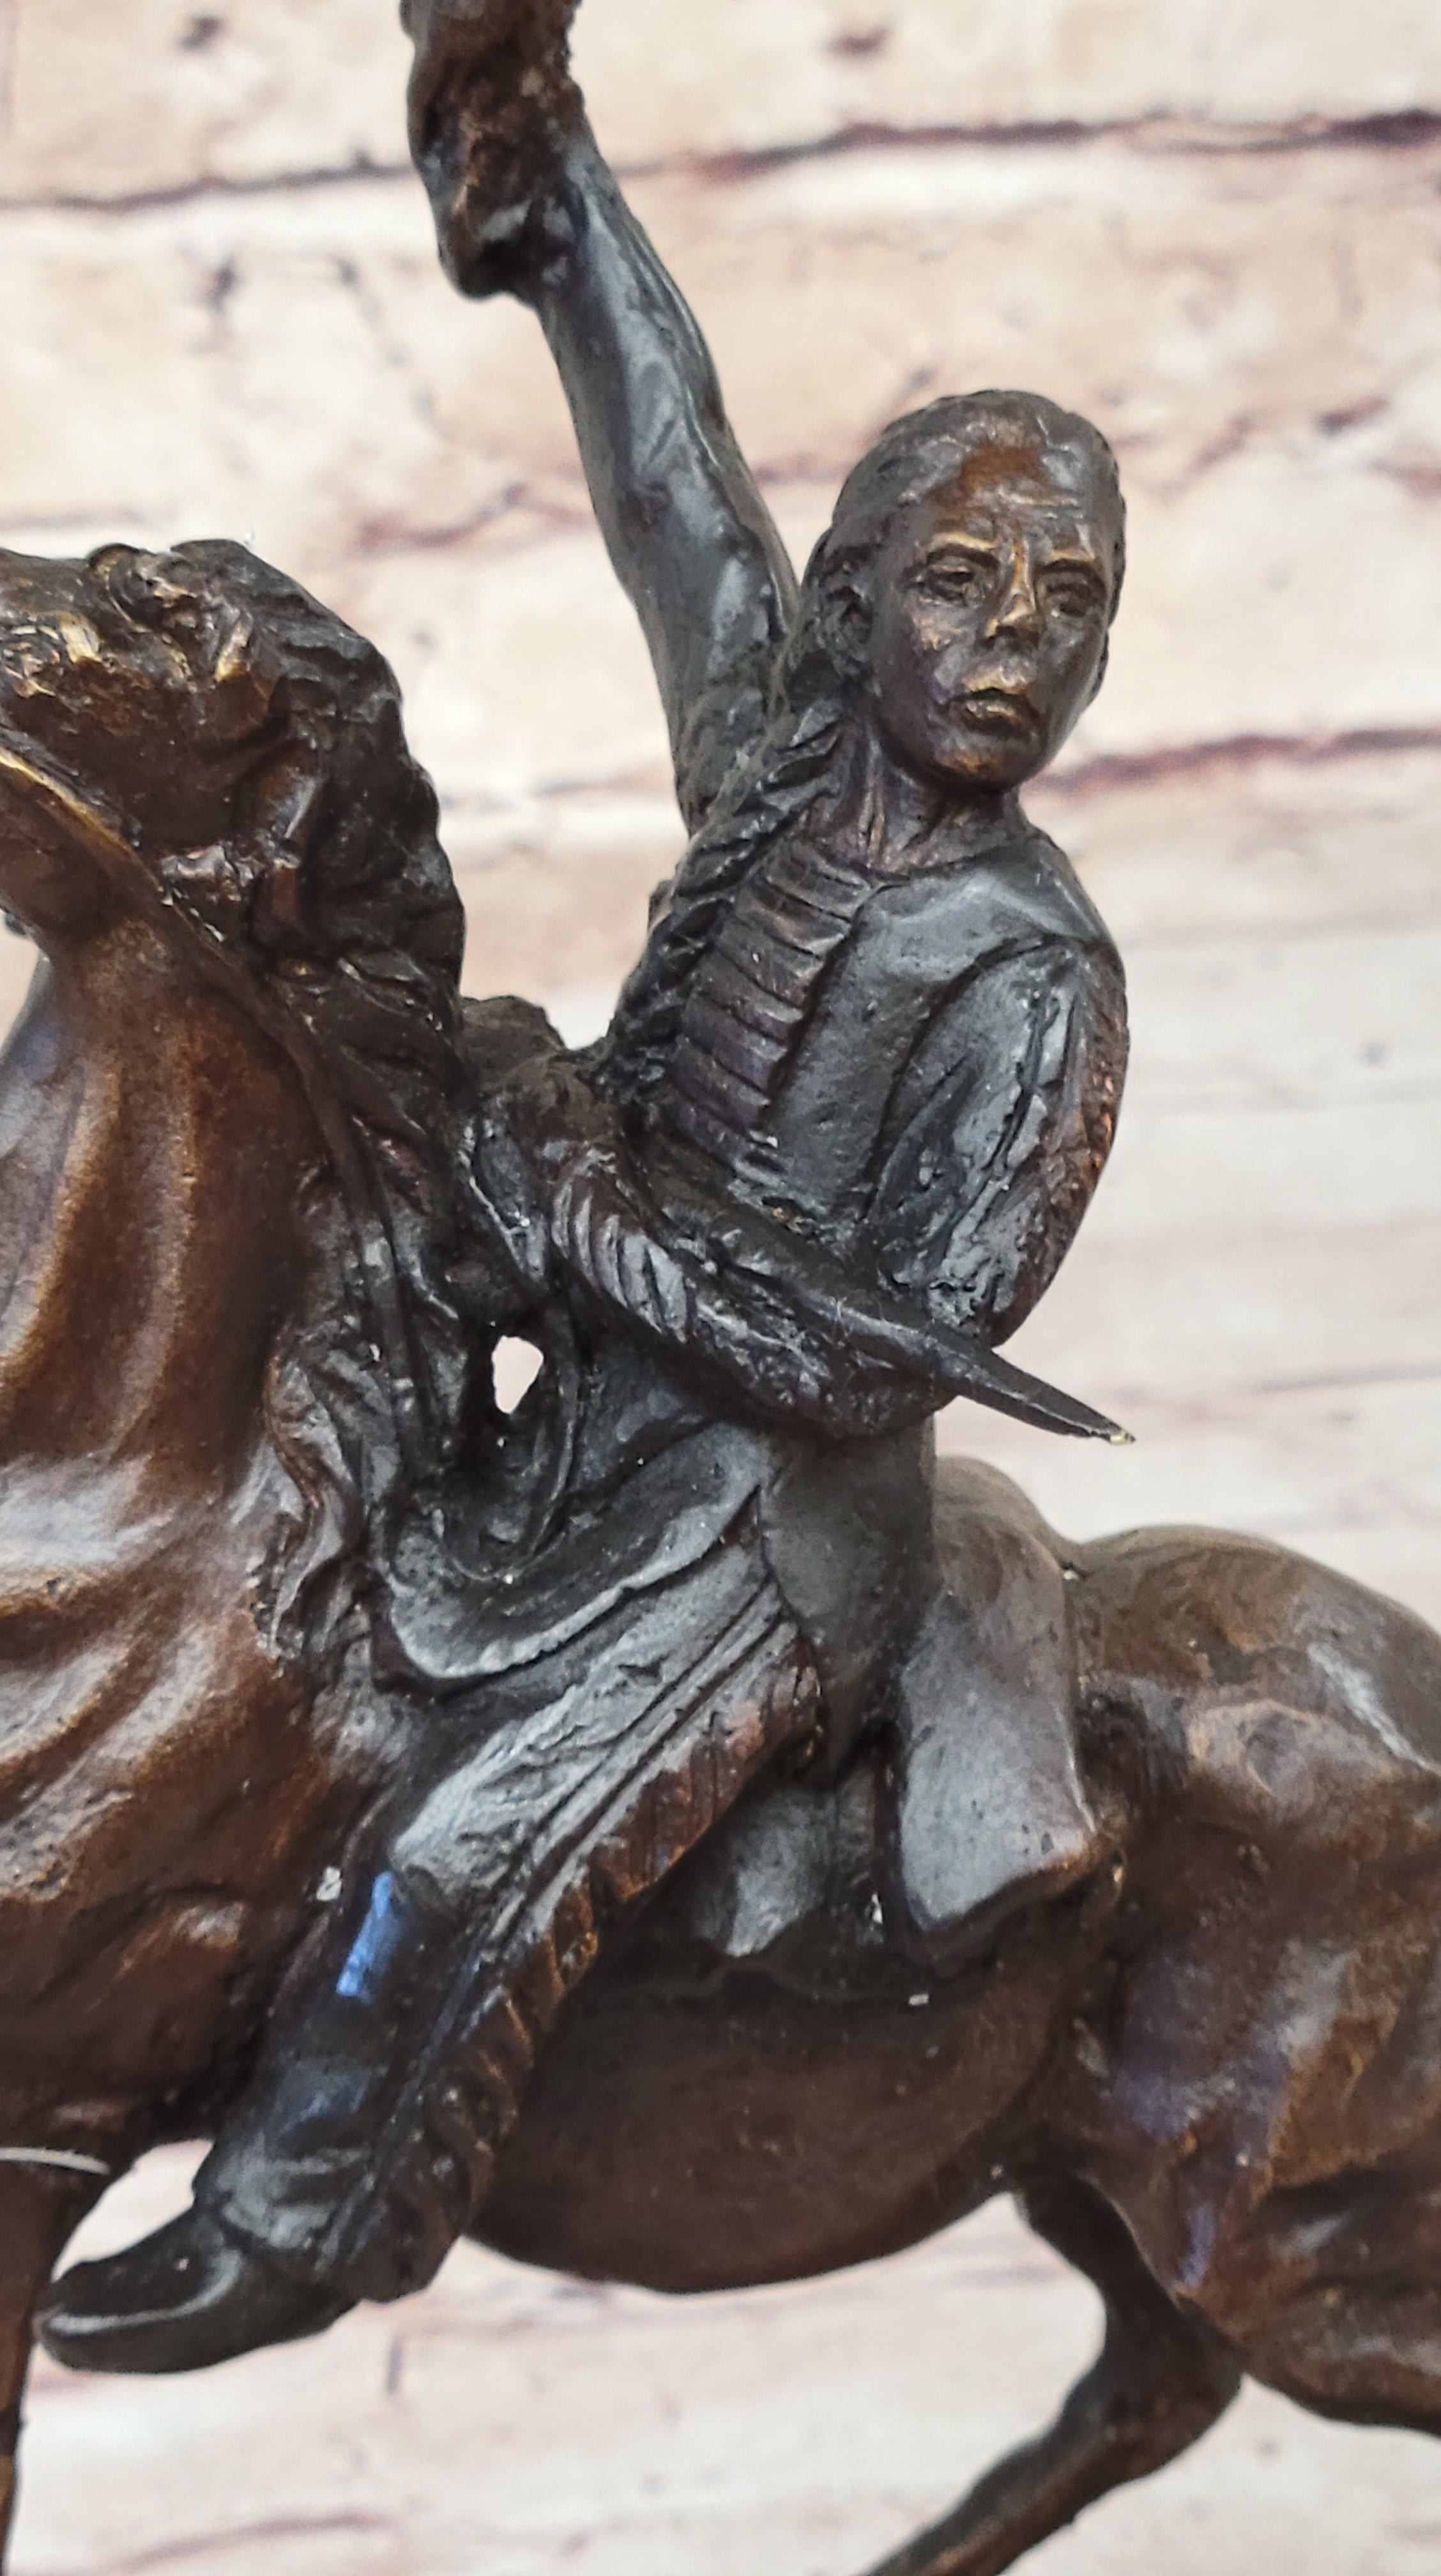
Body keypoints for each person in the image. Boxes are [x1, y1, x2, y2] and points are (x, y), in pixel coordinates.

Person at [40, 13, 1129, 2374]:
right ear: (855, 605)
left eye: (1070, 604)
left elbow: (874, 1361)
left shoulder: (1034, 976)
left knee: (460, 1838)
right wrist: (550, 200)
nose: (1014, 647)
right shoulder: (778, 760)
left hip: (770, 1536)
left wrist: (574, 1204)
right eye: (963, 583)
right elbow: (671, 480)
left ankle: (302, 2213)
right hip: (583, 1425)